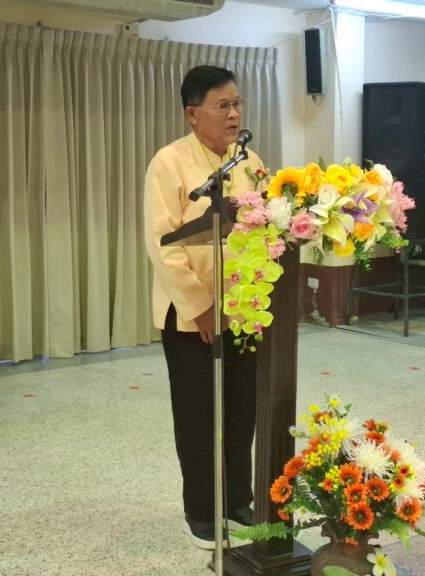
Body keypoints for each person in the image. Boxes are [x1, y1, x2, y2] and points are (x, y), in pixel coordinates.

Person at [144, 65, 265, 549]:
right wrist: (201, 307)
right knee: (198, 415)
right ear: (193, 114)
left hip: (245, 309)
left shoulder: (249, 161)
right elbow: (163, 244)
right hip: (190, 316)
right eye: (223, 106)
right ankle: (200, 510)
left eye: (237, 104)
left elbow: (264, 234)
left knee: (241, 411)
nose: (234, 114)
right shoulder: (169, 162)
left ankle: (237, 501)